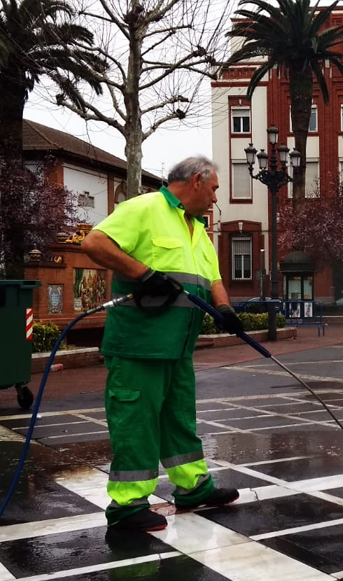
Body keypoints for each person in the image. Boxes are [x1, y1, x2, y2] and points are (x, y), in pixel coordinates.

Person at [82, 156, 241, 532]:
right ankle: (128, 504)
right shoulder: (145, 208)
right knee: (136, 422)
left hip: (178, 347)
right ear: (198, 180)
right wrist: (143, 274)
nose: (216, 198)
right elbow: (94, 242)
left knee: (179, 420)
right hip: (140, 344)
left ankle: (193, 487)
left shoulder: (196, 228)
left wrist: (225, 308)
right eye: (215, 188)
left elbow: (212, 275)